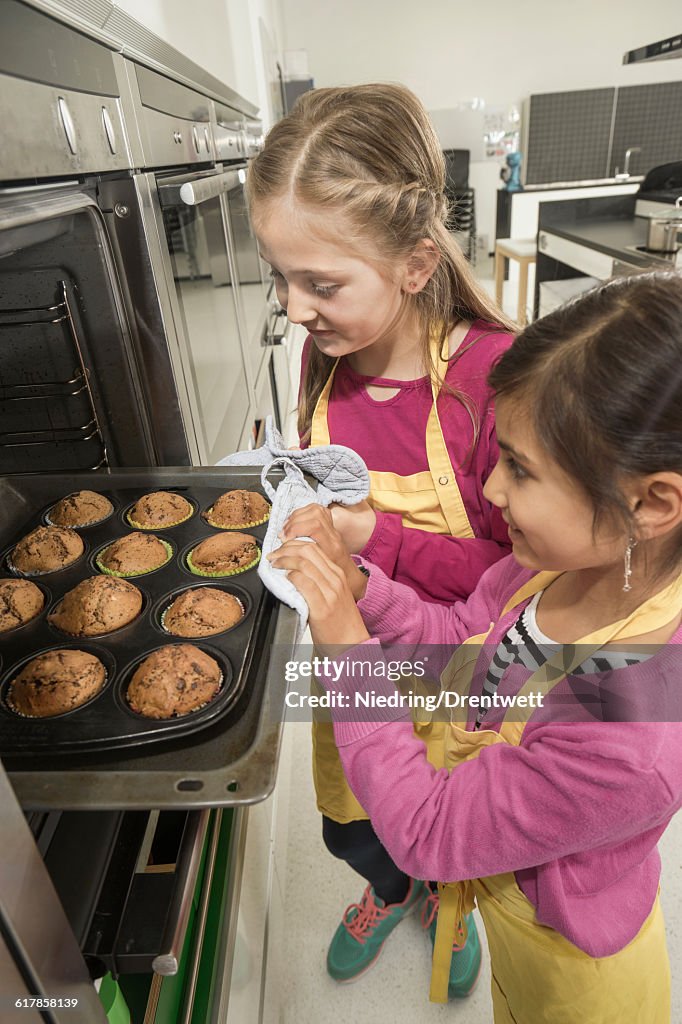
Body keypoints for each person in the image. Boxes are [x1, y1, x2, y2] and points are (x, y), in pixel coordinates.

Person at [270, 271, 682, 1021]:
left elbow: (427, 831)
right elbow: (461, 642)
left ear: (650, 503)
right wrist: (365, 592)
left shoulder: (629, 731)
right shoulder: (556, 568)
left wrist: (345, 648)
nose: (490, 491)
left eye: (519, 469)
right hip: (497, 897)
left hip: (571, 976)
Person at [247, 82, 514, 995]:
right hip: (355, 659)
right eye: (280, 276)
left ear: (413, 263)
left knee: (442, 818)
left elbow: (516, 583)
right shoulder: (327, 358)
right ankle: (390, 887)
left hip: (454, 672)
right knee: (352, 821)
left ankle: (447, 897)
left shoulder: (492, 378)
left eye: (321, 284)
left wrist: (374, 538)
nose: (294, 310)